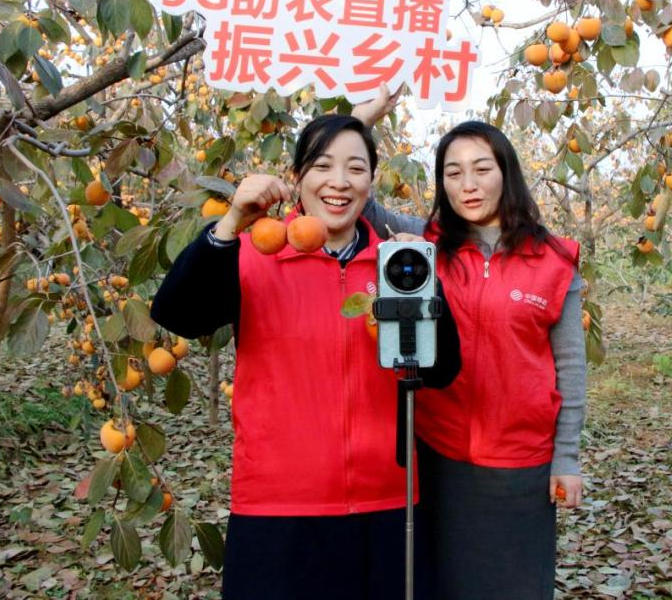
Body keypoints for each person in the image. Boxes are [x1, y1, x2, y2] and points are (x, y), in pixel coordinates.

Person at [150, 113, 460, 600]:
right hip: (277, 509)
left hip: (386, 502)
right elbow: (178, 314)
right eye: (322, 166)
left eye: (355, 168)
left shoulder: (395, 265)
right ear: (297, 177)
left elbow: (440, 371)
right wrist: (229, 223)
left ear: (371, 181)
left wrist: (421, 289)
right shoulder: (254, 253)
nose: (339, 182)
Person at [357, 98, 587, 600]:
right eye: (453, 172)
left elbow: (570, 366)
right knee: (442, 583)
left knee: (514, 586)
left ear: (506, 173)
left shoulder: (553, 260)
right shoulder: (424, 245)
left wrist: (566, 458)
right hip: (436, 453)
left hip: (519, 463)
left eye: (482, 169)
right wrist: (361, 121)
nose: (468, 184)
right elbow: (357, 203)